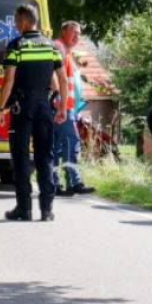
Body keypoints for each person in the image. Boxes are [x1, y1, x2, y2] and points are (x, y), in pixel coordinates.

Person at [0, 4, 68, 222]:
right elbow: (61, 81)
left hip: (22, 108)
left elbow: (8, 80)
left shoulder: (17, 46)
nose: (16, 25)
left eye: (17, 21)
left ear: (25, 21)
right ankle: (46, 210)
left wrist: (1, 108)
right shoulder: (52, 46)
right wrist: (63, 107)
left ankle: (24, 208)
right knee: (44, 157)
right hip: (45, 108)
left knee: (20, 158)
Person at [53, 20, 95, 196]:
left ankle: (55, 183)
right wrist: (59, 102)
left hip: (64, 106)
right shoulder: (59, 48)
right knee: (72, 141)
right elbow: (54, 76)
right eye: (73, 33)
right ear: (63, 32)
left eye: (79, 34)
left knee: (57, 146)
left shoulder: (66, 52)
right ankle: (75, 181)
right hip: (62, 107)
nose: (77, 37)